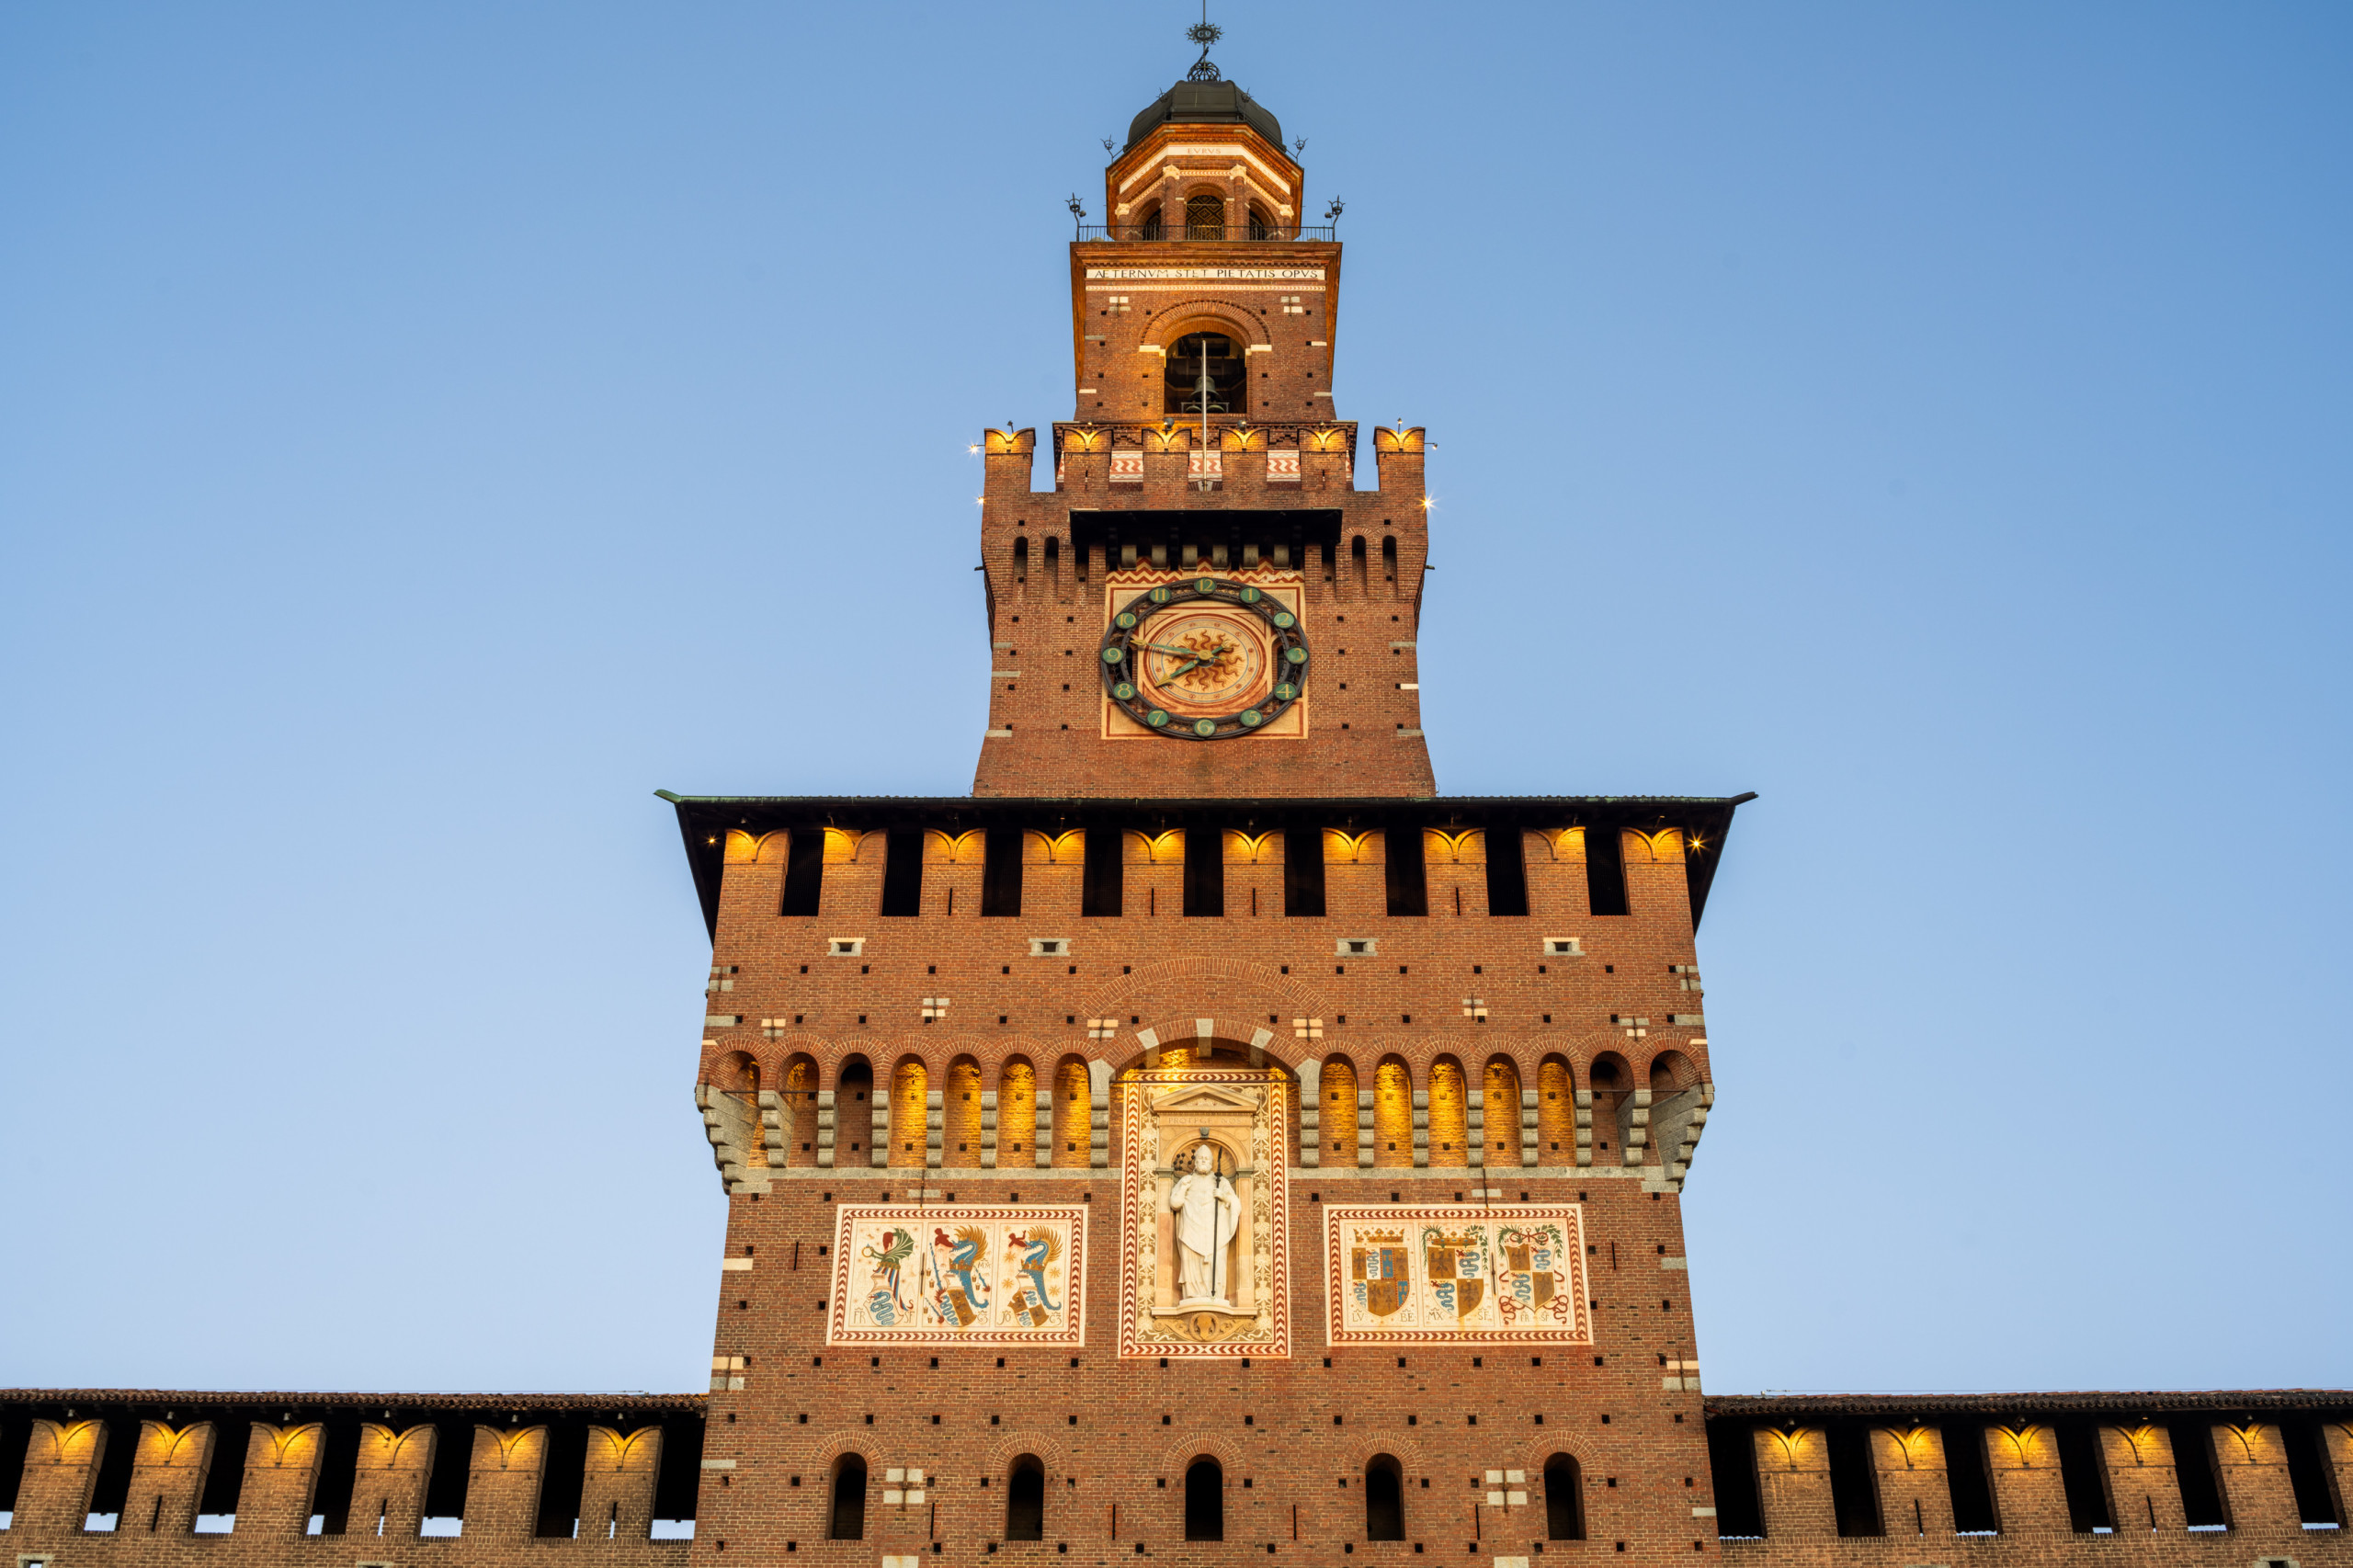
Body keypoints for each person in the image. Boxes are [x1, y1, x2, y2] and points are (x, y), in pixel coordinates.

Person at [1167, 1142, 1241, 1304]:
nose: (1203, 1161)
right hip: (1191, 1230)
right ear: (1195, 1162)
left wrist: (1224, 1196)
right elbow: (1175, 1203)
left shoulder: (1220, 1181)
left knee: (1216, 1262)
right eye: (1200, 1158)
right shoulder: (1186, 1180)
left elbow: (1236, 1204)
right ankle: (1192, 1294)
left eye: (1206, 1159)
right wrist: (1183, 1188)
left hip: (1215, 1231)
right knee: (1191, 1263)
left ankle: (1215, 1294)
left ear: (1211, 1163)